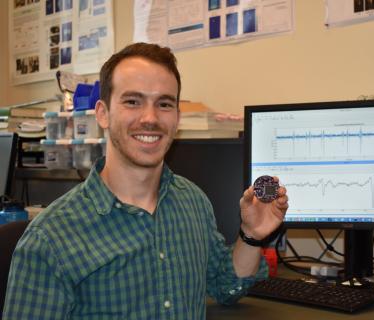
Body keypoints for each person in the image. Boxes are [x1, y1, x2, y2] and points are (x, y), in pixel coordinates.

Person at [2, 43, 288, 319]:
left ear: (177, 117)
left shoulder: (193, 203)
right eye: (132, 101)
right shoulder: (50, 239)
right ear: (103, 113)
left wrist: (251, 235)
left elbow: (227, 288)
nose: (150, 118)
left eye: (164, 104)